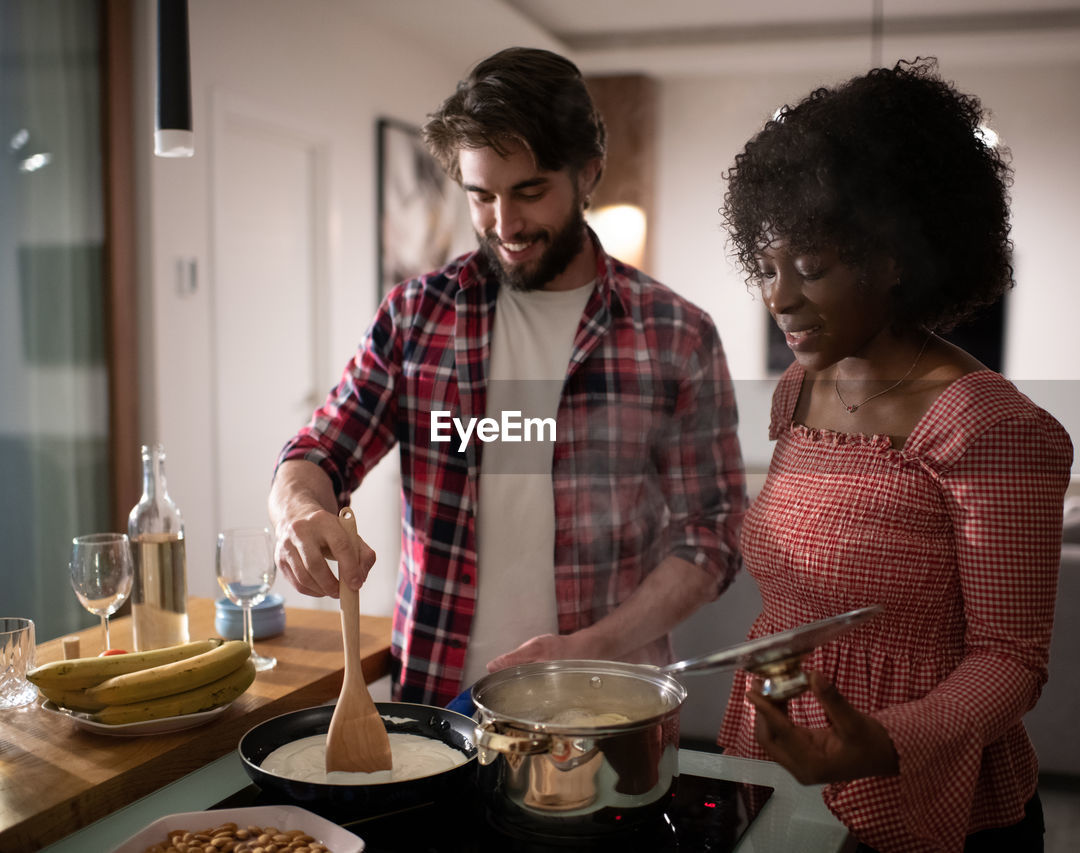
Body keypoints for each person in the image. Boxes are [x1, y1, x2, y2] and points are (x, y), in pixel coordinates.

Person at [269, 47, 746, 708]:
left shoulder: (676, 333)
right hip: (437, 705)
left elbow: (714, 533)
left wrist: (588, 646)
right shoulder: (415, 316)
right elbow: (319, 451)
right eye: (481, 196)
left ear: (589, 174)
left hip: (605, 702)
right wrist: (297, 511)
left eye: (529, 191)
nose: (504, 224)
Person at [717, 59, 1073, 852]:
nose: (779, 297)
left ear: (894, 258)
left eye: (811, 269)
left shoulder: (990, 425)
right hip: (779, 776)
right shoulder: (797, 392)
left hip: (922, 795)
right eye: (767, 267)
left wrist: (882, 742)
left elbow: (1011, 659)